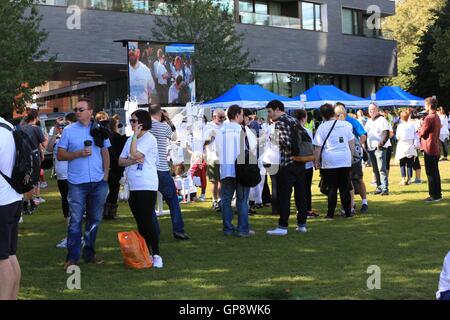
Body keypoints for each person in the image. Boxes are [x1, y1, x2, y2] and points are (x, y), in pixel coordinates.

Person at [57, 98, 111, 270]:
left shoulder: (100, 129)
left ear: (90, 112)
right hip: (77, 183)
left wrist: (106, 176)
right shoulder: (68, 131)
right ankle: (72, 257)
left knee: (94, 220)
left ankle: (89, 254)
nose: (77, 112)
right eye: (76, 109)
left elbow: (105, 153)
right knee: (75, 220)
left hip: (98, 182)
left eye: (81, 109)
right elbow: (60, 155)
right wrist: (78, 154)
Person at [119, 110, 163, 268]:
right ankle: (145, 253)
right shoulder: (131, 139)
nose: (131, 123)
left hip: (146, 184)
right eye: (130, 121)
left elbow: (133, 153)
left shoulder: (149, 139)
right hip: (132, 186)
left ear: (142, 122)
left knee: (147, 220)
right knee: (140, 222)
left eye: (134, 121)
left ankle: (156, 254)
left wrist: (134, 152)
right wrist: (133, 159)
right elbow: (121, 161)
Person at [266, 100, 308, 236]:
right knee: (300, 194)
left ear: (277, 109)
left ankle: (283, 226)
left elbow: (285, 142)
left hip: (287, 163)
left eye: (270, 111)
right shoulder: (294, 120)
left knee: (284, 196)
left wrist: (274, 139)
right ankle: (302, 224)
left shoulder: (279, 123)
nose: (269, 115)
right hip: (301, 163)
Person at [149, 105, 190, 240]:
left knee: (149, 203)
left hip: (148, 170)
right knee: (173, 200)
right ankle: (178, 229)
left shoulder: (145, 127)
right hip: (161, 169)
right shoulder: (163, 126)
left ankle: (154, 231)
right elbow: (174, 137)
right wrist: (170, 122)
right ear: (160, 113)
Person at [313, 104, 355, 219]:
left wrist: (316, 161)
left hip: (329, 160)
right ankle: (348, 213)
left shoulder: (322, 127)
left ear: (322, 115)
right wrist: (350, 156)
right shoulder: (345, 125)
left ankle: (330, 214)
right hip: (344, 159)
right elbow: (351, 142)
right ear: (333, 112)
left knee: (332, 188)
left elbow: (318, 147)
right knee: (344, 187)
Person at [219, 105, 255, 237]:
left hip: (225, 169)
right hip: (241, 169)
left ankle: (228, 228)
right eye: (241, 114)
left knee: (226, 200)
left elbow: (217, 150)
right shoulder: (242, 130)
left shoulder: (220, 130)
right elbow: (251, 148)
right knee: (242, 200)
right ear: (237, 115)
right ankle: (242, 229)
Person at [0, 116, 23, 300]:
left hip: (2, 201)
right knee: (10, 254)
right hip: (13, 197)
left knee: (2, 260)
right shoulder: (7, 126)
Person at [334, 103, 369, 214]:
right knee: (347, 181)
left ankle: (364, 202)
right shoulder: (335, 122)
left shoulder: (352, 121)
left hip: (354, 157)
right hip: (343, 156)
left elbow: (363, 135)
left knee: (357, 179)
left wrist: (358, 146)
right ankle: (350, 205)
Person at [47, 120, 71, 248]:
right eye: (59, 126)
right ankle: (71, 235)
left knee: (70, 204)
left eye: (63, 126)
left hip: (70, 176)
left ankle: (73, 236)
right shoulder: (58, 140)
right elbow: (48, 148)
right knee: (65, 203)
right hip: (62, 177)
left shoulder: (70, 139)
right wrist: (54, 133)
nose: (61, 128)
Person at [20, 109, 47, 215]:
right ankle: (26, 204)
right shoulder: (36, 129)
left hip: (23, 158)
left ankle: (28, 203)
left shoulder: (21, 128)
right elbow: (45, 144)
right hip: (33, 159)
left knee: (27, 182)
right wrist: (48, 137)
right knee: (31, 183)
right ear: (36, 117)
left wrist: (41, 152)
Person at [293, 109, 319, 218]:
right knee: (306, 188)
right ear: (304, 118)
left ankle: (299, 209)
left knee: (297, 188)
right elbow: (311, 148)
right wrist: (315, 160)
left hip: (295, 162)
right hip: (306, 162)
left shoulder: (292, 130)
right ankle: (307, 209)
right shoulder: (306, 131)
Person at [419, 97, 442, 202]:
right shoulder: (436, 116)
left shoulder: (429, 117)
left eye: (425, 105)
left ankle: (433, 195)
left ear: (428, 105)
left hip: (429, 147)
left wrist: (419, 127)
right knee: (435, 172)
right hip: (435, 147)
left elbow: (422, 133)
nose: (424, 107)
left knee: (430, 172)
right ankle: (438, 194)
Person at [104, 115, 127, 220]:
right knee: (114, 190)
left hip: (107, 165)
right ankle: (110, 213)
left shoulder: (106, 136)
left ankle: (107, 211)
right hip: (114, 166)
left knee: (110, 190)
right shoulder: (116, 137)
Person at [365, 103, 391, 196]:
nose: (371, 111)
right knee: (375, 169)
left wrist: (380, 144)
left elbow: (386, 133)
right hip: (371, 148)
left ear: (377, 110)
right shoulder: (368, 121)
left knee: (381, 169)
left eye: (373, 110)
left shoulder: (382, 120)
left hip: (379, 148)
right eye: (369, 110)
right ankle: (379, 186)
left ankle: (385, 188)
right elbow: (366, 134)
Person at [203, 109, 226, 211]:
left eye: (223, 117)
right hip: (212, 156)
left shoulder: (224, 126)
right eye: (220, 117)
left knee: (222, 180)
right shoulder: (208, 127)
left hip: (224, 157)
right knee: (214, 181)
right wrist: (210, 138)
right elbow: (203, 143)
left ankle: (221, 200)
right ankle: (214, 200)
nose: (222, 119)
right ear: (214, 117)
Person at [395, 111, 417, 186]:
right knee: (410, 164)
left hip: (402, 145)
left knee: (402, 163)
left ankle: (403, 179)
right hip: (410, 145)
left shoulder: (400, 126)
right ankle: (410, 179)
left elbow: (397, 137)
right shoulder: (412, 125)